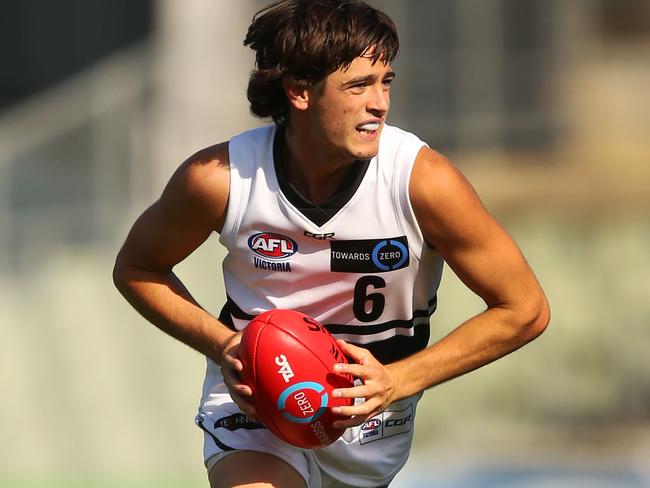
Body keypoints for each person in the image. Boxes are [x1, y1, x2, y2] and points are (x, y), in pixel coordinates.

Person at [113, 0, 550, 487]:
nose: (379, 102)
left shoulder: (423, 182)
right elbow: (137, 268)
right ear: (300, 91)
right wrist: (227, 346)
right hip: (258, 406)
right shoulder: (220, 179)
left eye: (385, 82)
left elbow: (524, 308)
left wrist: (400, 380)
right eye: (359, 85)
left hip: (370, 426)